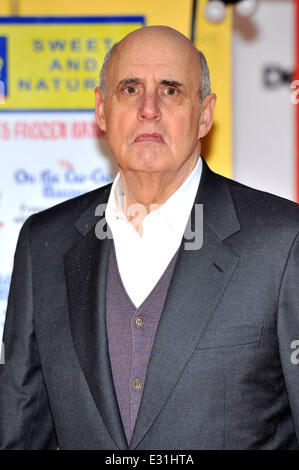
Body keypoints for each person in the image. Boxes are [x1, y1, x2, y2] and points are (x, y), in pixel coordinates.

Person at [0, 25, 298, 450]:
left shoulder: (283, 242)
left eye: (172, 90)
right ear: (102, 111)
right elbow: (20, 431)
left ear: (205, 114)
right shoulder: (44, 243)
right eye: (130, 89)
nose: (149, 109)